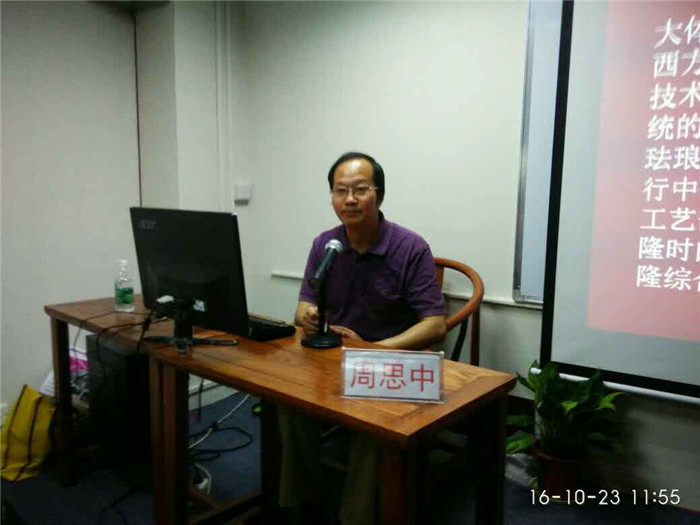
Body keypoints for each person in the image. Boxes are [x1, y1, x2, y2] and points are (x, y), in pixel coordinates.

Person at [279, 152, 447, 524]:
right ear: (332, 198)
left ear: (379, 195)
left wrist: (371, 349)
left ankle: (355, 516)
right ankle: (301, 502)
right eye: (341, 191)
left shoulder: (410, 247)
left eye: (360, 190)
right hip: (334, 359)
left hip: (389, 363)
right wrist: (311, 317)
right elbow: (302, 309)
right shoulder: (325, 244)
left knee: (372, 424)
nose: (350, 199)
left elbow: (435, 325)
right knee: (289, 403)